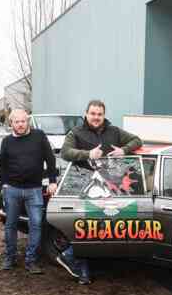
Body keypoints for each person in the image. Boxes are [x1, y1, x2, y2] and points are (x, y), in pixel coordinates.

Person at [59, 99, 143, 284]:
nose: (96, 117)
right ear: (86, 114)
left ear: (104, 115)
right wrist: (87, 154)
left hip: (110, 186)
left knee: (105, 225)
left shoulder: (114, 132)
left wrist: (124, 150)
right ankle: (81, 268)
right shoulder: (76, 132)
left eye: (99, 114)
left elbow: (137, 140)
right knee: (86, 228)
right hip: (85, 185)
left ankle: (71, 255)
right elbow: (65, 152)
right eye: (93, 114)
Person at [0, 109, 57, 274]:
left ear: (27, 121)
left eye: (23, 121)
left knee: (36, 224)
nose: (20, 124)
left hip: (34, 189)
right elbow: (2, 165)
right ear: (12, 124)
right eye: (16, 122)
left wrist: (53, 181)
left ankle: (31, 260)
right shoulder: (7, 141)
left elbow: (50, 159)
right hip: (12, 190)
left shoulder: (39, 136)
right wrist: (4, 184)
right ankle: (10, 257)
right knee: (10, 225)